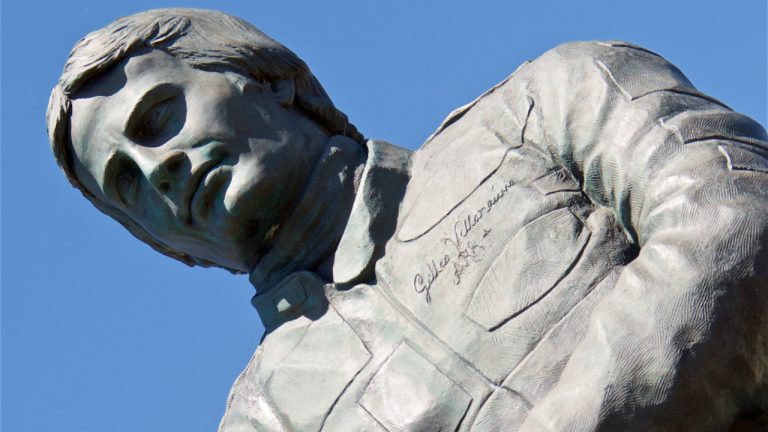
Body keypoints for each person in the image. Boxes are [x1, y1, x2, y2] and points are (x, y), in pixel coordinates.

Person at [48, 8, 768, 432]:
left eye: (157, 118)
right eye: (125, 185)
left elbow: (736, 222)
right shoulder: (268, 420)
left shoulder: (546, 106)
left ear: (269, 77)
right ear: (172, 249)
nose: (156, 170)